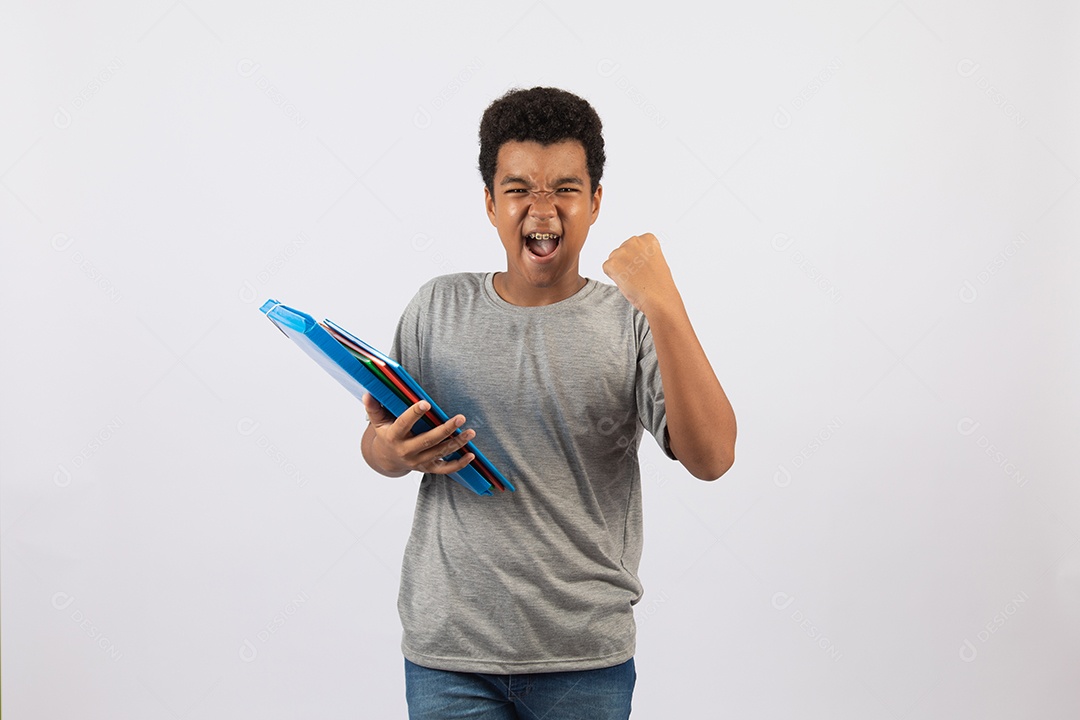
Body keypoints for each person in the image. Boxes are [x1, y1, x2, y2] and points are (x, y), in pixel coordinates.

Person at [360, 86, 736, 720]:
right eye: (518, 189)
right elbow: (378, 442)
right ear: (489, 203)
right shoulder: (436, 307)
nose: (542, 209)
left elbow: (713, 456)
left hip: (583, 657)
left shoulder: (631, 319)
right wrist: (390, 452)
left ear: (594, 202)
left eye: (565, 188)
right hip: (450, 654)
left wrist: (665, 305)